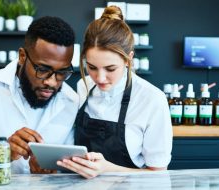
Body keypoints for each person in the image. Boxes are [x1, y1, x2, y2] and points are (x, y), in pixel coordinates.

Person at [0, 16, 79, 173]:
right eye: (43, 70)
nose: (52, 82)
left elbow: (68, 170)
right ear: (22, 57)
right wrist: (2, 154)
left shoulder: (71, 101)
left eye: (62, 72)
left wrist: (52, 171)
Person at [57, 6, 173, 178]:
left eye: (110, 68)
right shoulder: (83, 86)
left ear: (129, 59)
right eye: (92, 67)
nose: (100, 78)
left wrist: (106, 169)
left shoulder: (152, 99)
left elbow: (157, 175)